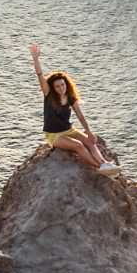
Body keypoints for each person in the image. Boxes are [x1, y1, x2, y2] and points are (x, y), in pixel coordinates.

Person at [29, 43, 118, 174]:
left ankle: (104, 163)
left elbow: (80, 116)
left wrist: (89, 132)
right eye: (57, 86)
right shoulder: (49, 95)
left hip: (69, 130)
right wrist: (36, 58)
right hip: (54, 135)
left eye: (62, 85)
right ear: (53, 88)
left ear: (66, 84)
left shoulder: (70, 97)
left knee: (90, 142)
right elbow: (39, 74)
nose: (61, 88)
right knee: (78, 145)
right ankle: (99, 167)